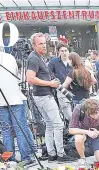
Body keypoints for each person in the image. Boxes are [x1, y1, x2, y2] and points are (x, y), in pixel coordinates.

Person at [27, 33, 73, 162]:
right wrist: (50, 83)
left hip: (42, 95)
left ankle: (52, 154)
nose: (44, 46)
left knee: (50, 125)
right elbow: (30, 79)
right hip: (44, 96)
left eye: (44, 43)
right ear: (34, 45)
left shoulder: (37, 57)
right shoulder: (34, 58)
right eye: (40, 43)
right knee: (58, 124)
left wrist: (51, 81)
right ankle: (61, 154)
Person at [69, 98, 99, 165]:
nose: (96, 116)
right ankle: (82, 158)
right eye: (92, 114)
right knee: (78, 138)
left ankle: (96, 151)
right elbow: (71, 130)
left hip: (97, 134)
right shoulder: (78, 109)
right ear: (86, 112)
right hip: (83, 132)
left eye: (97, 113)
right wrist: (87, 132)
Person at [48, 44, 73, 121]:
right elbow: (49, 73)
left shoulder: (72, 61)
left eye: (66, 50)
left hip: (74, 89)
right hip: (61, 90)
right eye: (62, 51)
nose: (64, 53)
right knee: (69, 115)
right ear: (58, 52)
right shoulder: (53, 62)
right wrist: (55, 81)